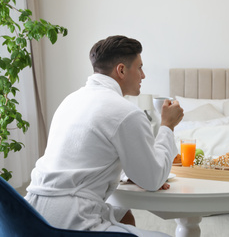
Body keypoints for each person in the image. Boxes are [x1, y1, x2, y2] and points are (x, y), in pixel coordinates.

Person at [25, 35, 183, 236]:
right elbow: (152, 180)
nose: (143, 75)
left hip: (31, 213)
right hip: (70, 221)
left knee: (124, 214)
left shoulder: (70, 100)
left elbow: (84, 156)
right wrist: (167, 126)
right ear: (122, 70)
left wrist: (132, 173)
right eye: (140, 67)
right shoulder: (126, 113)